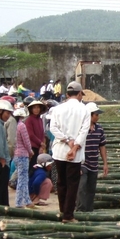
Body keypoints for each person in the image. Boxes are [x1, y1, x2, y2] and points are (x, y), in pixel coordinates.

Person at [49, 81, 90, 222]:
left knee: (61, 182)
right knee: (72, 183)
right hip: (75, 154)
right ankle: (68, 215)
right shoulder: (84, 110)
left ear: (67, 94)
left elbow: (53, 128)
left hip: (60, 151)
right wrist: (74, 147)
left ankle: (63, 210)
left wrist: (66, 140)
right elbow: (84, 132)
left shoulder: (57, 109)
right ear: (79, 94)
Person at [76, 102, 108, 212]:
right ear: (89, 115)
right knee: (82, 187)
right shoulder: (80, 129)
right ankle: (80, 210)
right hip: (83, 162)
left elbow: (102, 146)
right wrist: (78, 164)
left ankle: (89, 211)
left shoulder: (99, 129)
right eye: (96, 115)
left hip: (94, 163)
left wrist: (105, 164)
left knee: (91, 189)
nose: (98, 117)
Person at [13, 108, 35, 208]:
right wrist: (30, 151)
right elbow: (26, 141)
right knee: (22, 179)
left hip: (16, 155)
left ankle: (27, 200)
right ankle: (18, 202)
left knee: (23, 178)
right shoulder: (22, 126)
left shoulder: (15, 125)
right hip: (23, 155)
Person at [25, 100, 47, 170]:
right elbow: (30, 134)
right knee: (32, 167)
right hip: (32, 147)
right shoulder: (29, 120)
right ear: (31, 109)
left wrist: (42, 144)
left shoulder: (40, 119)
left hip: (39, 147)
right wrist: (40, 143)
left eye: (38, 107)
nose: (36, 110)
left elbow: (42, 133)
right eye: (34, 108)